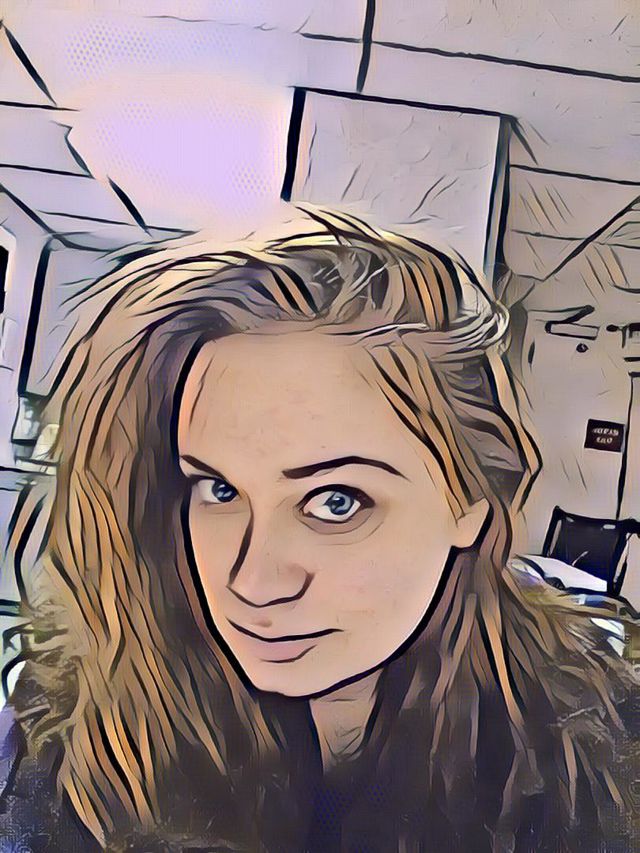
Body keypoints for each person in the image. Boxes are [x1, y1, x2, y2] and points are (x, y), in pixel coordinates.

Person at [1, 206, 638, 852]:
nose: (253, 581)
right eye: (218, 489)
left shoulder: (600, 760)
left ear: (471, 503)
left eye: (335, 501)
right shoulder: (71, 745)